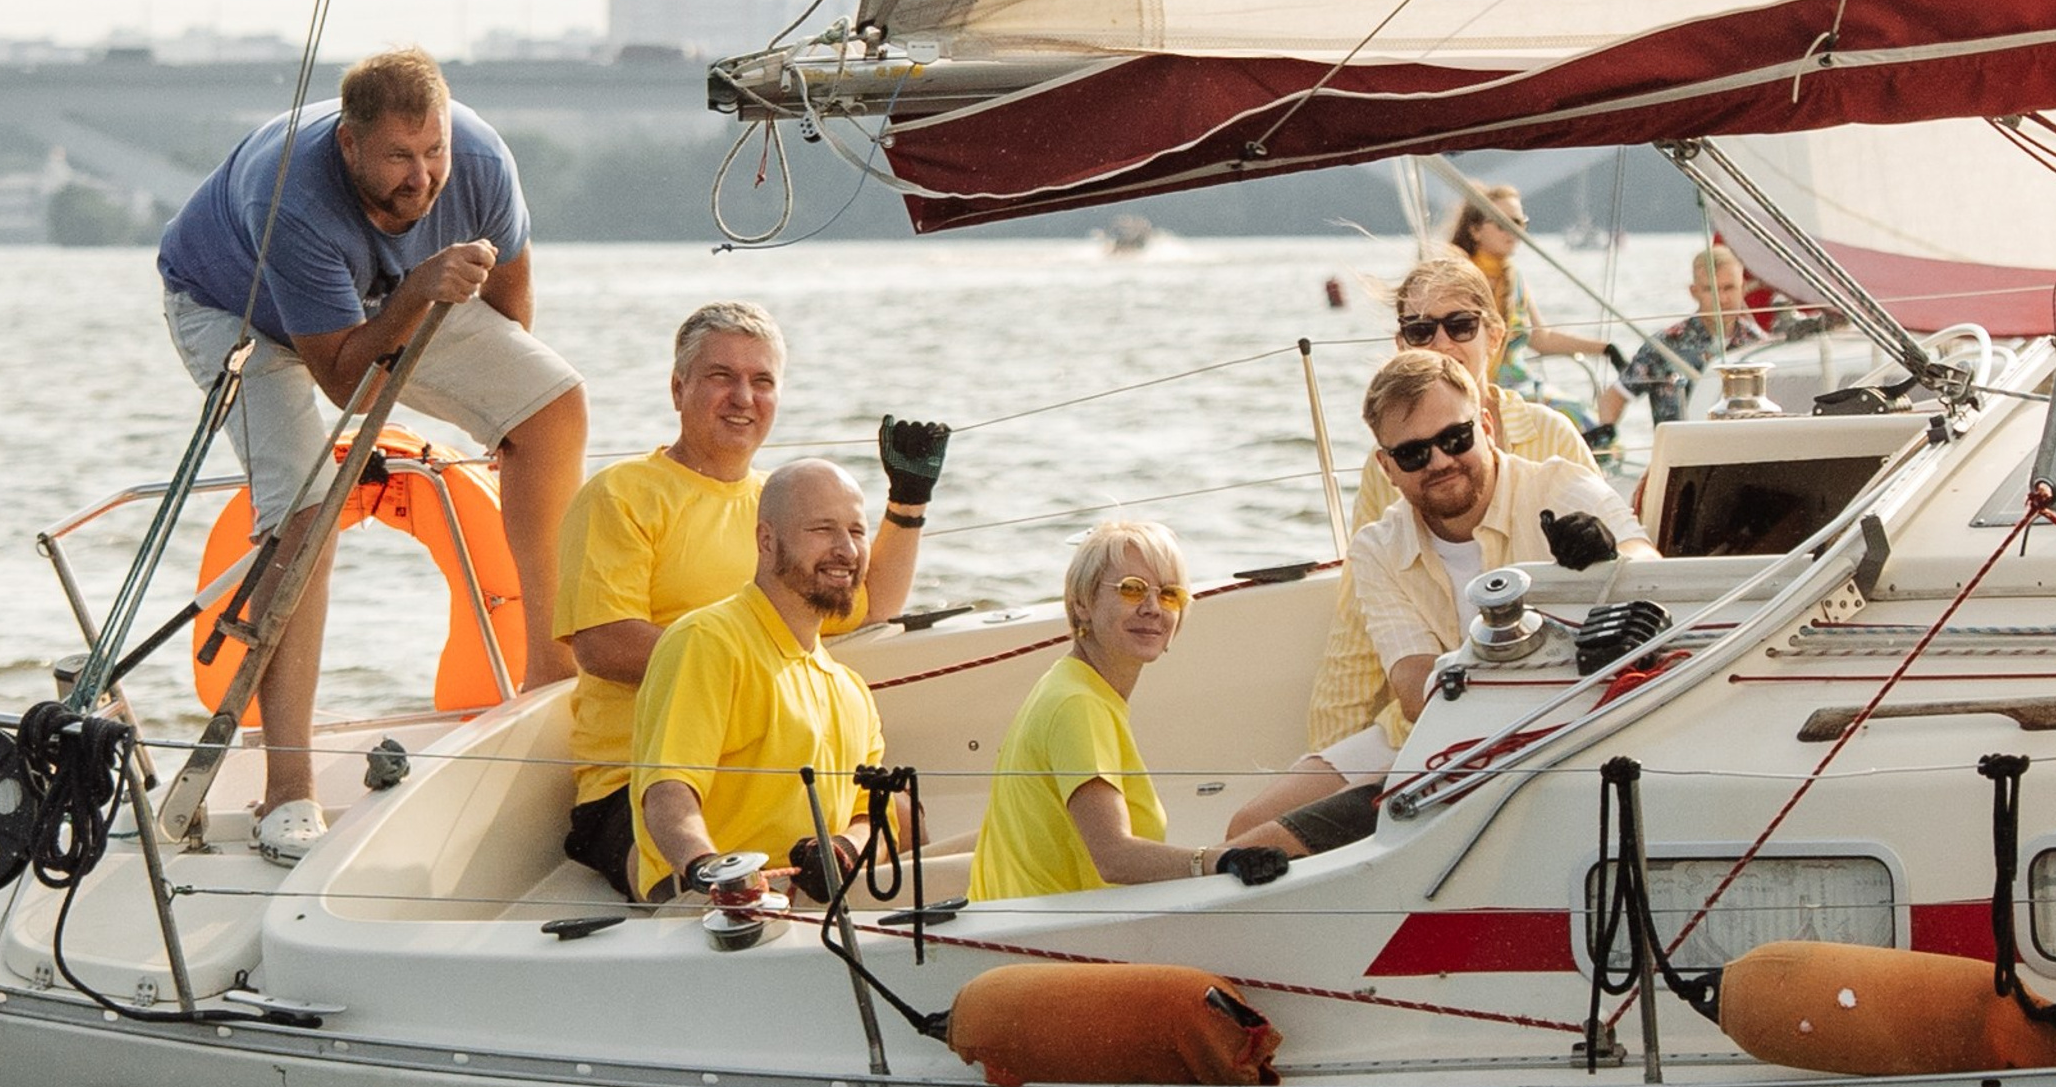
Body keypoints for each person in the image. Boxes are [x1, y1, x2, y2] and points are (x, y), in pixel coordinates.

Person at [156, 47, 587, 865]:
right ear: (350, 144)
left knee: (553, 404)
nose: (422, 178)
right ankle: (288, 789)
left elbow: (509, 300)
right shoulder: (291, 195)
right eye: (397, 157)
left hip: (384, 293)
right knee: (305, 506)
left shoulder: (481, 161)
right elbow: (346, 380)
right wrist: (419, 288)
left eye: (433, 152)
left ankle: (549, 688)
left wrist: (502, 419)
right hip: (234, 306)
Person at [552, 299, 949, 895]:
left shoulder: (784, 507)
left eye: (762, 381)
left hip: (772, 762)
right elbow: (604, 644)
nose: (743, 397)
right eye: (722, 376)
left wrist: (907, 502)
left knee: (901, 817)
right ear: (678, 388)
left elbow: (864, 600)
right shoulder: (622, 493)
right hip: (635, 780)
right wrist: (738, 672)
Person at [1231, 351, 1653, 843]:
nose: (1440, 462)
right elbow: (1414, 692)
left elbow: (1651, 568)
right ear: (1387, 467)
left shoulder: (1559, 488)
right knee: (1246, 829)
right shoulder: (1378, 547)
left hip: (1562, 724)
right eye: (1413, 454)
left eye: (1455, 438)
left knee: (1288, 842)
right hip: (1433, 731)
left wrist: (1608, 556)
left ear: (1486, 427)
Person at [1304, 254, 1595, 765]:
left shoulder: (1551, 438)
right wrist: (1329, 751)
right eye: (1420, 331)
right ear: (1401, 346)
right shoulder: (1388, 468)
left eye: (1460, 325)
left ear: (1495, 335)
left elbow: (1612, 563)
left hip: (1556, 704)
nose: (1440, 343)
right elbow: (1358, 623)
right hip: (1433, 715)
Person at [969, 522, 1291, 900]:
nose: (1152, 608)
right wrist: (1220, 861)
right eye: (1132, 589)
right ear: (1082, 604)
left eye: (1169, 594)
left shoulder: (1069, 682)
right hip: (1065, 930)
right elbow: (1113, 856)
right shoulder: (1078, 704)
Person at [629, 459, 900, 902]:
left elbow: (872, 818)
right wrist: (715, 875)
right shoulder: (707, 640)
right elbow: (668, 792)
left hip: (821, 908)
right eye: (823, 529)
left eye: (856, 531)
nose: (847, 550)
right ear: (766, 540)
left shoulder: (850, 688)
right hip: (716, 909)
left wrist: (846, 848)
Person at [1446, 182, 1626, 409]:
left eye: (1518, 223)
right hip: (1477, 391)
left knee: (1582, 414)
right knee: (1571, 413)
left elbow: (1542, 339)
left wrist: (1606, 349)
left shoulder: (1515, 280)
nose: (1512, 231)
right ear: (1475, 230)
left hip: (1521, 388)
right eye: (1502, 223)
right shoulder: (1457, 278)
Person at [1621, 241, 1769, 424]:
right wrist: (1606, 434)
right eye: (1710, 290)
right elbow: (1616, 396)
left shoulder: (1760, 347)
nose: (1722, 299)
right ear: (1694, 292)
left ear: (1743, 288)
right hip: (1681, 441)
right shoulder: (1665, 345)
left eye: (1729, 288)